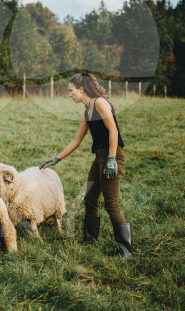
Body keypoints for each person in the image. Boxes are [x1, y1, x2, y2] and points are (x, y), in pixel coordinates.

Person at [39, 73, 132, 258]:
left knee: (111, 203)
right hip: (99, 157)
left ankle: (126, 250)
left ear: (81, 89)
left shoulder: (100, 103)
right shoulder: (87, 111)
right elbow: (76, 140)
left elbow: (113, 129)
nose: (69, 94)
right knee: (90, 199)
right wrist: (56, 159)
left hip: (112, 155)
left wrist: (112, 159)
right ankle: (90, 241)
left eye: (71, 91)